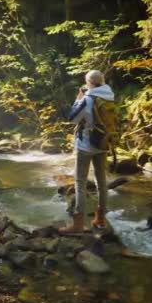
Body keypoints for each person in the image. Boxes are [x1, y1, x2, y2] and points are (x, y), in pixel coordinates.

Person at [60, 70, 115, 234]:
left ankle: (78, 223)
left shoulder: (88, 99)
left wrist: (78, 100)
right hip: (103, 143)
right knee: (101, 181)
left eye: (86, 83)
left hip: (86, 146)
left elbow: (72, 118)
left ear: (89, 83)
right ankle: (100, 219)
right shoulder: (109, 96)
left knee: (80, 182)